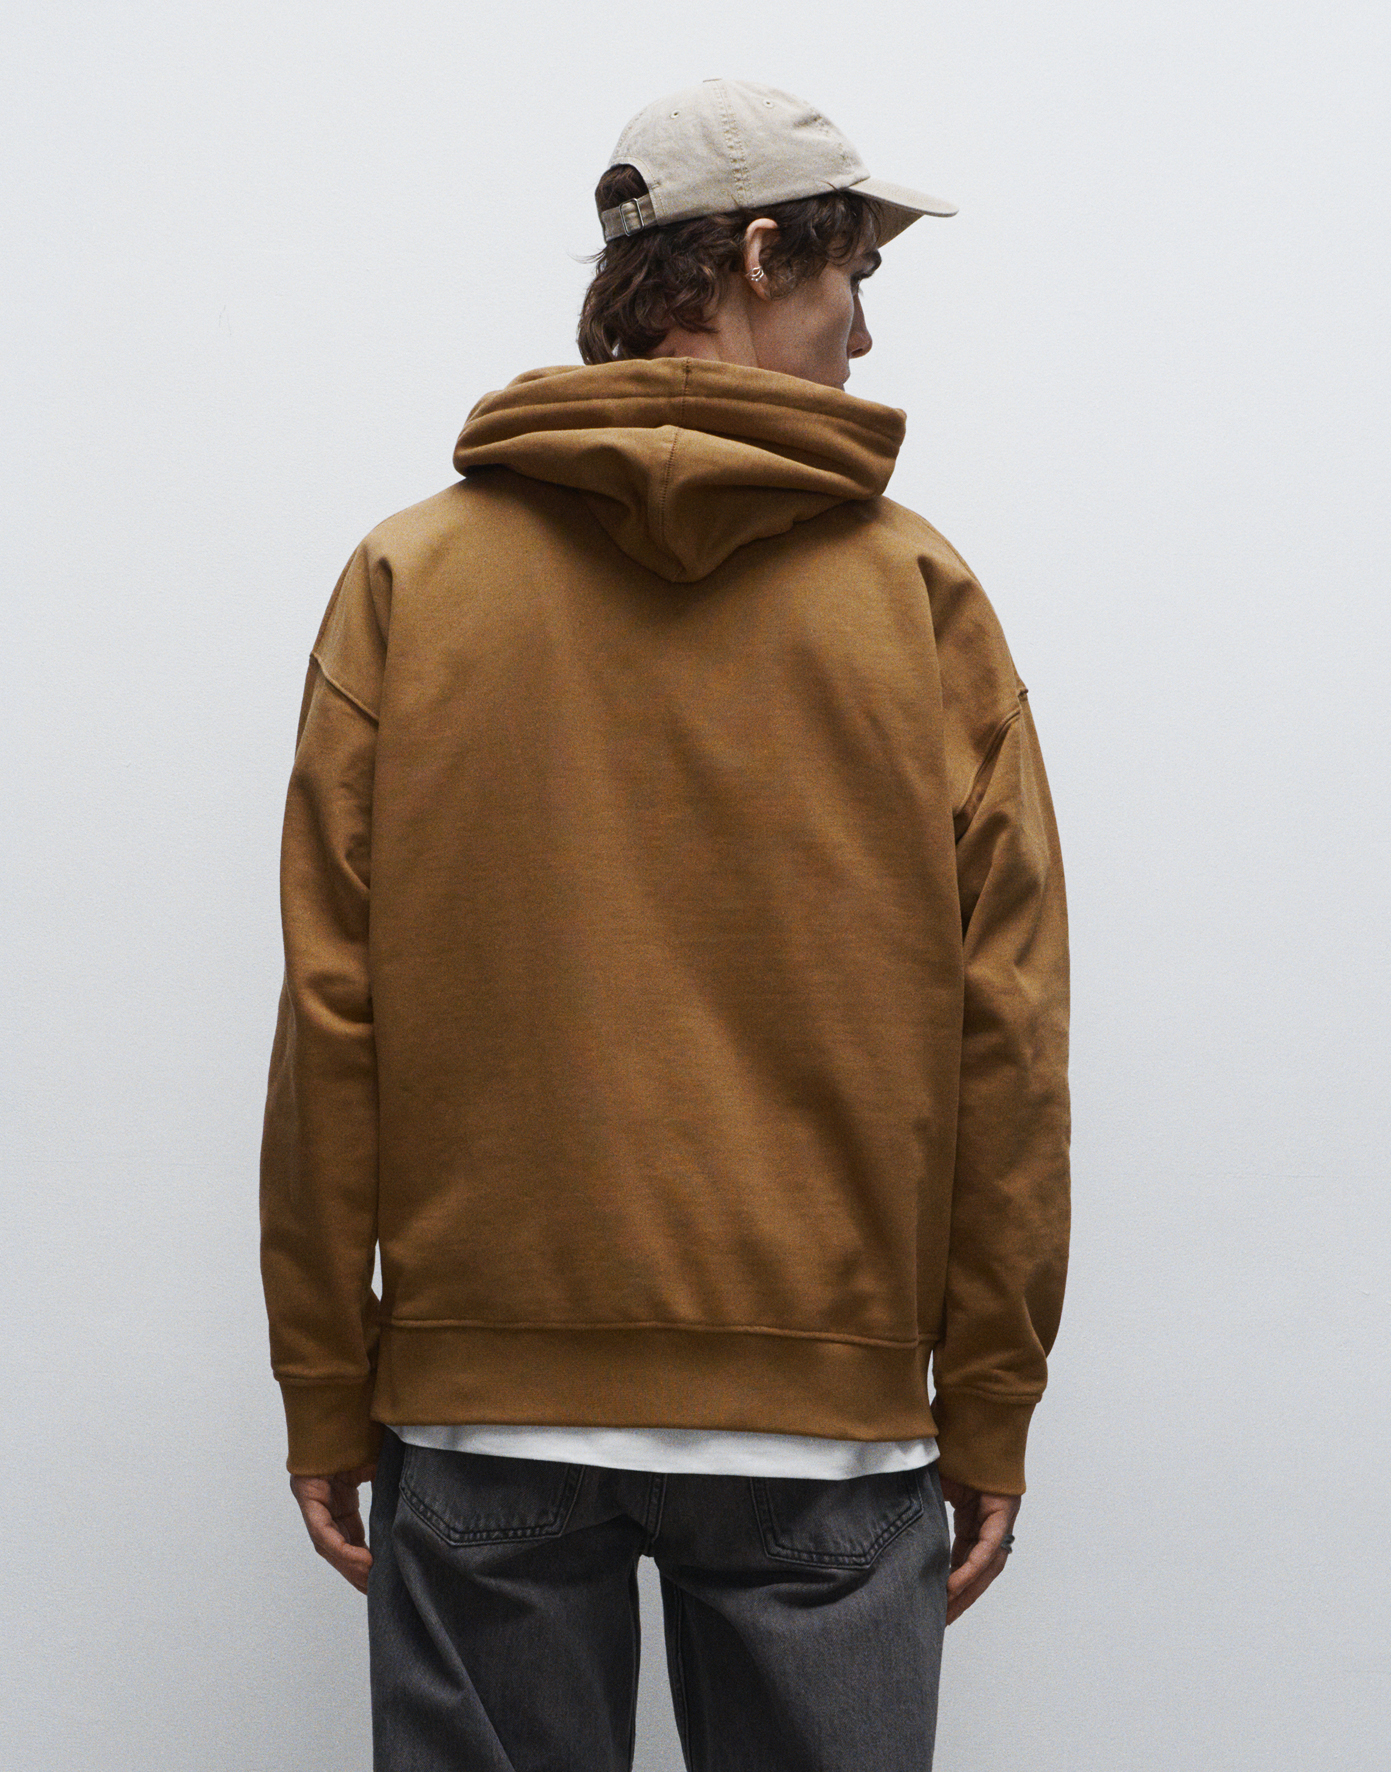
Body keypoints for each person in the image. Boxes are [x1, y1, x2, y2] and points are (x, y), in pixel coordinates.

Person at [260, 76, 1071, 1771]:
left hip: (485, 1415)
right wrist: (989, 1395)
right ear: (762, 255)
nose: (862, 337)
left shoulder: (412, 580)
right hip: (825, 1436)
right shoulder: (918, 599)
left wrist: (328, 1376)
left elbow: (333, 1017)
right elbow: (1008, 1034)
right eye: (853, 276)